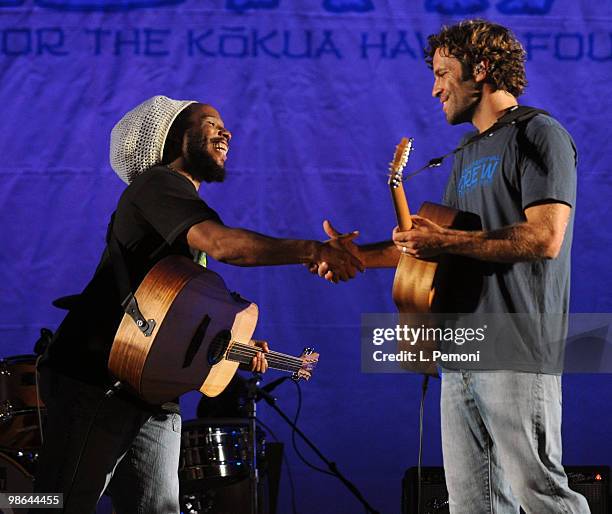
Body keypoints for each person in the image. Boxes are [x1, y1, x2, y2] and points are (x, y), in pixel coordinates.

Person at [34, 95, 363, 514]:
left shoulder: (182, 212)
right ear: (174, 140)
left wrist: (232, 349)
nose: (226, 131)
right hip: (98, 379)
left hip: (150, 392)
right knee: (53, 502)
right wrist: (312, 250)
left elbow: (176, 314)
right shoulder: (157, 185)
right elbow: (224, 246)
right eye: (209, 123)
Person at [321, 19, 590, 514]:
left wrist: (444, 239)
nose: (435, 87)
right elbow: (438, 249)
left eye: (444, 72)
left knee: (541, 495)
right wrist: (352, 256)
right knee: (471, 504)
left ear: (482, 69)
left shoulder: (539, 133)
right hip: (460, 349)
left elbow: (545, 237)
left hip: (516, 344)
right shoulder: (465, 154)